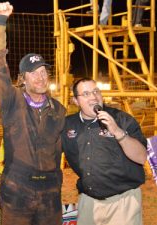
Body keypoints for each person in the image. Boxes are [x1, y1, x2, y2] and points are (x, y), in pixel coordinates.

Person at [0, 2, 66, 225]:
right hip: (18, 191)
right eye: (34, 73)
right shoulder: (12, 99)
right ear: (23, 78)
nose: (41, 77)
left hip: (50, 193)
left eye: (44, 72)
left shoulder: (58, 110)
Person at [61, 77, 147, 225]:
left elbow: (142, 157)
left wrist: (117, 132)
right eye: (86, 94)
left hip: (123, 202)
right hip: (88, 201)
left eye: (96, 91)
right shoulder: (68, 124)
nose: (94, 97)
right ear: (75, 100)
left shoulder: (121, 119)